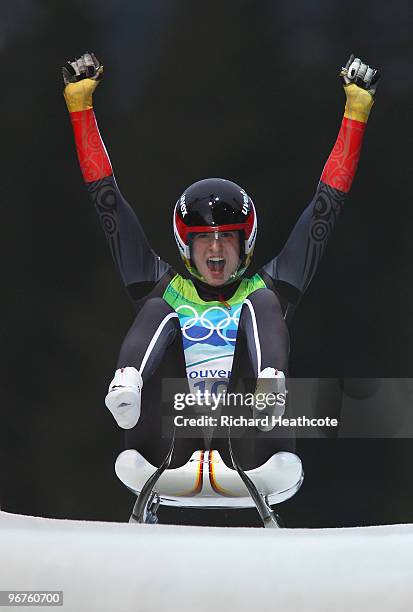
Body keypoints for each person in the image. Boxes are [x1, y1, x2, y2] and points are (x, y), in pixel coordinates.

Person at [62, 53, 379, 470]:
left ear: (246, 242)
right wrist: (80, 109)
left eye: (227, 239)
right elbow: (110, 208)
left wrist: (356, 112)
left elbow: (324, 208)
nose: (215, 251)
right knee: (159, 308)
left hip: (250, 441)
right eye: (203, 241)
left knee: (265, 303)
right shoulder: (164, 288)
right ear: (184, 245)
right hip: (169, 440)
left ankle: (271, 388)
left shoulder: (271, 287)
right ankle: (126, 384)